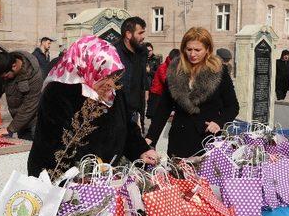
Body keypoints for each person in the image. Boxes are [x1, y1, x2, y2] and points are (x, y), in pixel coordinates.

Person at [27, 35, 158, 176]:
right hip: (68, 179)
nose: (111, 83)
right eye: (105, 76)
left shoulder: (112, 91)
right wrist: (81, 178)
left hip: (103, 177)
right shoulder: (59, 92)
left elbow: (127, 126)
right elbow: (52, 146)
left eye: (114, 76)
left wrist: (141, 150)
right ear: (88, 66)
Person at [146, 27, 239, 158]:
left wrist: (219, 122)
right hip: (179, 140)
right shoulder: (174, 71)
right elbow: (163, 108)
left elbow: (232, 106)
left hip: (207, 140)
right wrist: (151, 137)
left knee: (204, 178)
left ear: (207, 49)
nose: (192, 54)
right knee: (178, 177)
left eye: (197, 50)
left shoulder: (219, 71)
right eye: (189, 49)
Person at [0, 51, 42, 140]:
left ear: (14, 66)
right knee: (23, 150)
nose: (4, 79)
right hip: (19, 122)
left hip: (36, 121)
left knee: (36, 150)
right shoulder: (4, 65)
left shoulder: (33, 74)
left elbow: (30, 106)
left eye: (5, 77)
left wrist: (10, 129)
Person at [114, 17, 148, 123]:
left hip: (134, 112)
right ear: (128, 34)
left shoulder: (143, 52)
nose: (143, 37)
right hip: (116, 112)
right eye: (140, 33)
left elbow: (141, 79)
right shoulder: (113, 53)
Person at [147, 48, 180, 119]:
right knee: (156, 120)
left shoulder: (174, 66)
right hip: (157, 96)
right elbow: (167, 82)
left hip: (166, 96)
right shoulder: (163, 67)